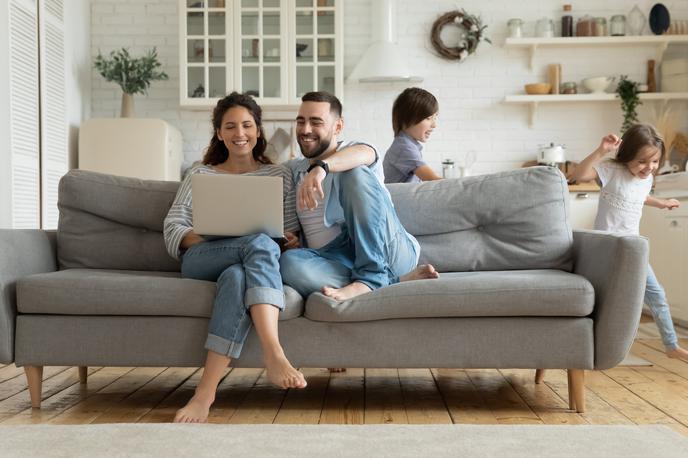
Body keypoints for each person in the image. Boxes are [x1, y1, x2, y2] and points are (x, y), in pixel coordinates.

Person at [163, 92, 306, 424]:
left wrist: (291, 238)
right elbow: (173, 226)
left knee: (238, 277)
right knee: (256, 242)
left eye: (247, 125)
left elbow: (288, 230)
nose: (239, 133)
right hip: (202, 257)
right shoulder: (201, 175)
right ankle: (274, 352)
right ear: (219, 133)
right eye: (230, 126)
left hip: (247, 264)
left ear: (258, 130)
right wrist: (215, 234)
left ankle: (205, 394)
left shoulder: (279, 175)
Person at [280, 91, 438, 303]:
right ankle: (391, 280)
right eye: (301, 122)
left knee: (354, 171)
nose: (306, 129)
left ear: (337, 127)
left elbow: (364, 154)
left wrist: (322, 168)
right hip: (336, 258)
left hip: (387, 248)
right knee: (288, 263)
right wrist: (292, 240)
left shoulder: (355, 150)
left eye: (316, 122)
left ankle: (371, 276)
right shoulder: (293, 170)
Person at [568, 123, 688, 362]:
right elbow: (578, 176)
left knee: (656, 294)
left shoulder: (645, 179)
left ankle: (671, 345)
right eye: (642, 162)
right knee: (601, 299)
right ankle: (584, 344)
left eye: (654, 162)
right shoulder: (611, 170)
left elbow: (640, 196)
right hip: (607, 248)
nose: (648, 168)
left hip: (633, 249)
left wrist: (661, 203)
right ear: (628, 155)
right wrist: (601, 150)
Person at [383, 87, 442, 183]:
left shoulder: (407, 145)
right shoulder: (404, 148)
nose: (434, 125)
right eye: (428, 118)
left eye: (435, 118)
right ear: (407, 118)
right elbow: (436, 181)